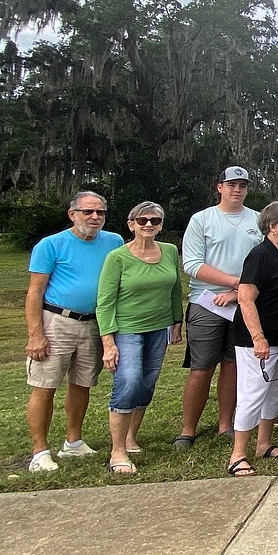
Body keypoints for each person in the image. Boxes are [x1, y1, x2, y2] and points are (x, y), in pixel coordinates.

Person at [24, 192, 123, 472]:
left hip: (94, 323)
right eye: (87, 212)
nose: (94, 218)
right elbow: (34, 292)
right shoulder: (51, 245)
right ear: (72, 214)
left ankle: (73, 441)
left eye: (100, 213)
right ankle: (40, 451)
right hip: (57, 321)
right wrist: (36, 334)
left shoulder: (113, 241)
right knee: (45, 386)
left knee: (82, 383)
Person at [175, 166, 262, 451]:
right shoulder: (202, 220)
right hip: (207, 302)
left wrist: (239, 293)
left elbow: (263, 261)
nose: (237, 190)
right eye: (232, 184)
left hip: (243, 303)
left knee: (233, 365)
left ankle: (226, 424)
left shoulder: (257, 220)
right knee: (201, 368)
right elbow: (192, 264)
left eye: (243, 185)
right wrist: (235, 283)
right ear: (220, 187)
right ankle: (188, 430)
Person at [96, 202, 183, 474]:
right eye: (142, 220)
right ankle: (117, 451)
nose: (149, 225)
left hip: (159, 328)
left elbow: (175, 289)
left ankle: (131, 437)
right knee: (129, 380)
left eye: (155, 221)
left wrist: (177, 322)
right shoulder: (117, 257)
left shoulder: (169, 251)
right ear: (131, 224)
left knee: (146, 383)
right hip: (127, 329)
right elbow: (105, 302)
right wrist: (108, 342)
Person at [227, 202, 278, 476]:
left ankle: (264, 443)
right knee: (253, 391)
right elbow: (245, 298)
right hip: (256, 341)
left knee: (275, 390)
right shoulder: (260, 256)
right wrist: (258, 337)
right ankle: (238, 454)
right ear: (272, 225)